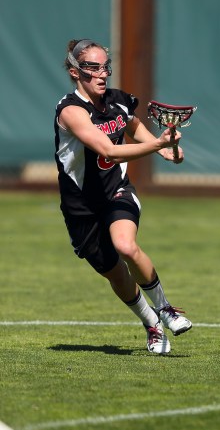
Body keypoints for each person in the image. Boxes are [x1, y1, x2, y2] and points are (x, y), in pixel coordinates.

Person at [54, 39, 192, 354]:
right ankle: (152, 325)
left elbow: (134, 126)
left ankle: (166, 309)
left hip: (116, 189)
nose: (102, 74)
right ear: (76, 72)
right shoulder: (71, 111)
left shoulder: (118, 100)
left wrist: (166, 148)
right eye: (93, 67)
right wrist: (157, 146)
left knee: (125, 245)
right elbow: (107, 149)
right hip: (81, 207)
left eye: (106, 66)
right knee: (114, 273)